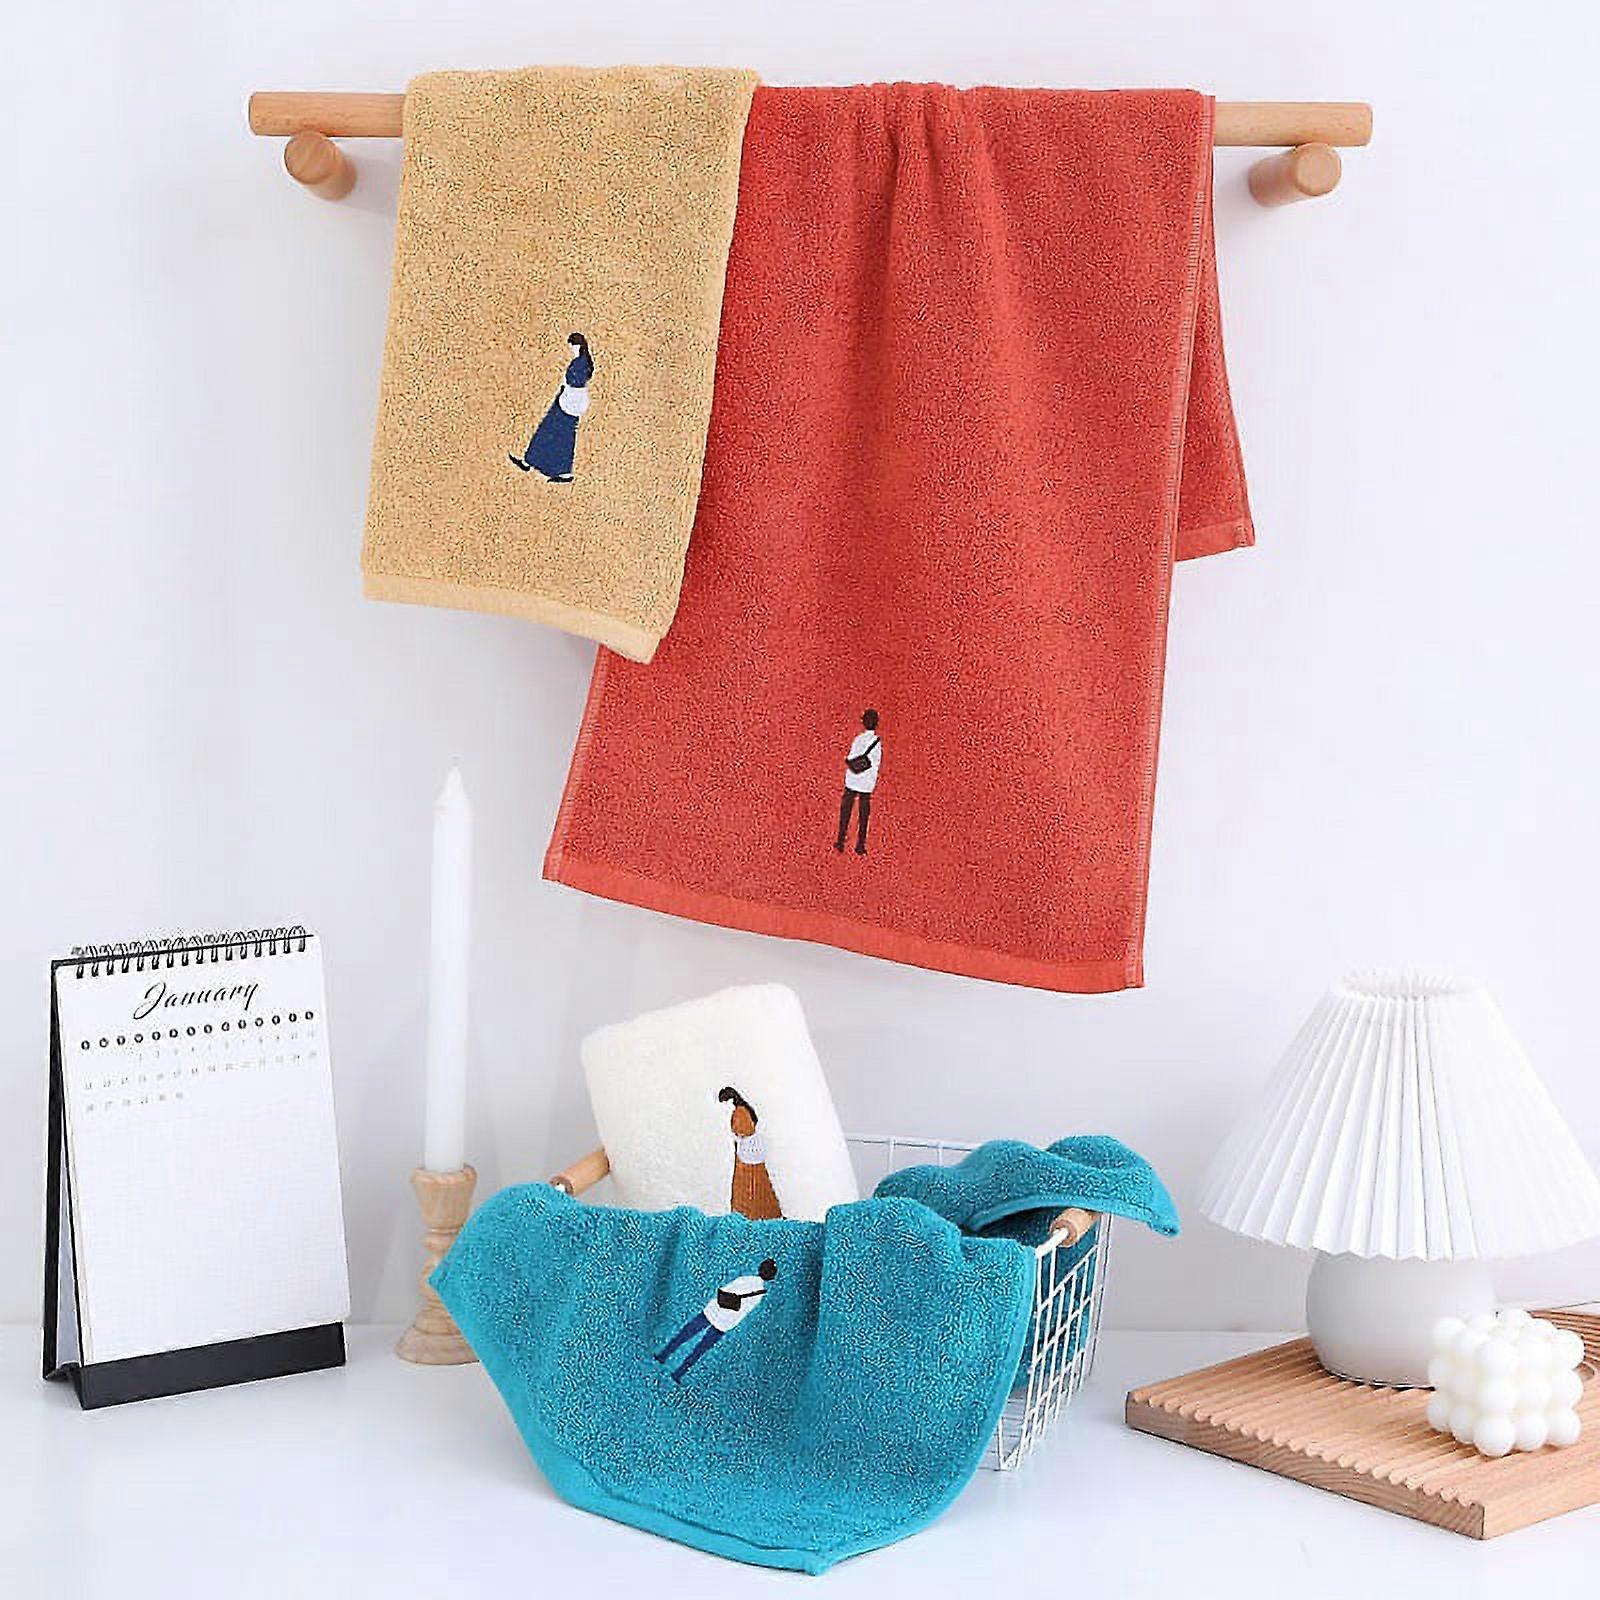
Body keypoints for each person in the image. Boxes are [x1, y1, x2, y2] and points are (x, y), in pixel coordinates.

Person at [654, 1259, 778, 1383]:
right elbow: (744, 1311)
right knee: (700, 1350)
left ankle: (663, 1355)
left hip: (712, 1312)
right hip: (724, 1324)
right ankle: (679, 1373)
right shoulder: (759, 1294)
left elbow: (724, 1291)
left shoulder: (744, 1279)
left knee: (684, 1334)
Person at [509, 333, 594, 482]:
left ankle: (534, 462)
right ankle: (542, 465)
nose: (571, 349)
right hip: (572, 400)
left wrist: (566, 384)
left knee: (552, 431)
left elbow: (574, 380)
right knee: (562, 434)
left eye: (572, 346)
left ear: (577, 345)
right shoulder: (583, 361)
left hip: (570, 401)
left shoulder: (580, 362)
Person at [717, 1086, 783, 1219]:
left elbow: (744, 1130)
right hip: (749, 1150)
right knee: (756, 1180)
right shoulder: (742, 1109)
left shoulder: (740, 1111)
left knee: (749, 1182)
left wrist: (735, 1136)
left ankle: (754, 1213)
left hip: (748, 1152)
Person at [834, 708, 882, 856]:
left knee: (846, 811)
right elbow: (876, 764)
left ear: (863, 722)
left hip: (852, 781)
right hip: (866, 784)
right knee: (863, 814)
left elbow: (850, 758)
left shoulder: (858, 739)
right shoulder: (877, 743)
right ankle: (860, 845)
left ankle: (841, 841)